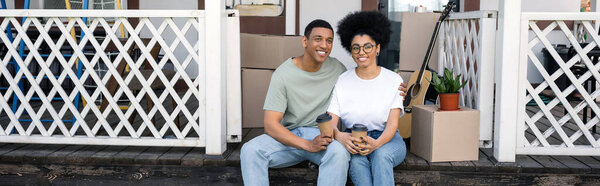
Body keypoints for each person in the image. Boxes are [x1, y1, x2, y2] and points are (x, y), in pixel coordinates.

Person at [240, 19, 408, 186]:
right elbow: (270, 125)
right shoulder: (283, 74)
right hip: (289, 137)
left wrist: (398, 90)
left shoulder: (337, 70)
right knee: (249, 151)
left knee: (340, 154)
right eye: (318, 39)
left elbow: (364, 80)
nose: (324, 45)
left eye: (329, 41)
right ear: (305, 41)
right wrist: (307, 144)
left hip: (322, 136)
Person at [328, 11, 407, 186]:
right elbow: (331, 122)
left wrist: (377, 143)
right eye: (356, 47)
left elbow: (393, 124)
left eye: (367, 46)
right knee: (356, 163)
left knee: (381, 155)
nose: (361, 52)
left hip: (387, 139)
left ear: (377, 48)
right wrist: (340, 136)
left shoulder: (394, 80)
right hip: (354, 139)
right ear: (351, 50)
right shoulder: (343, 80)